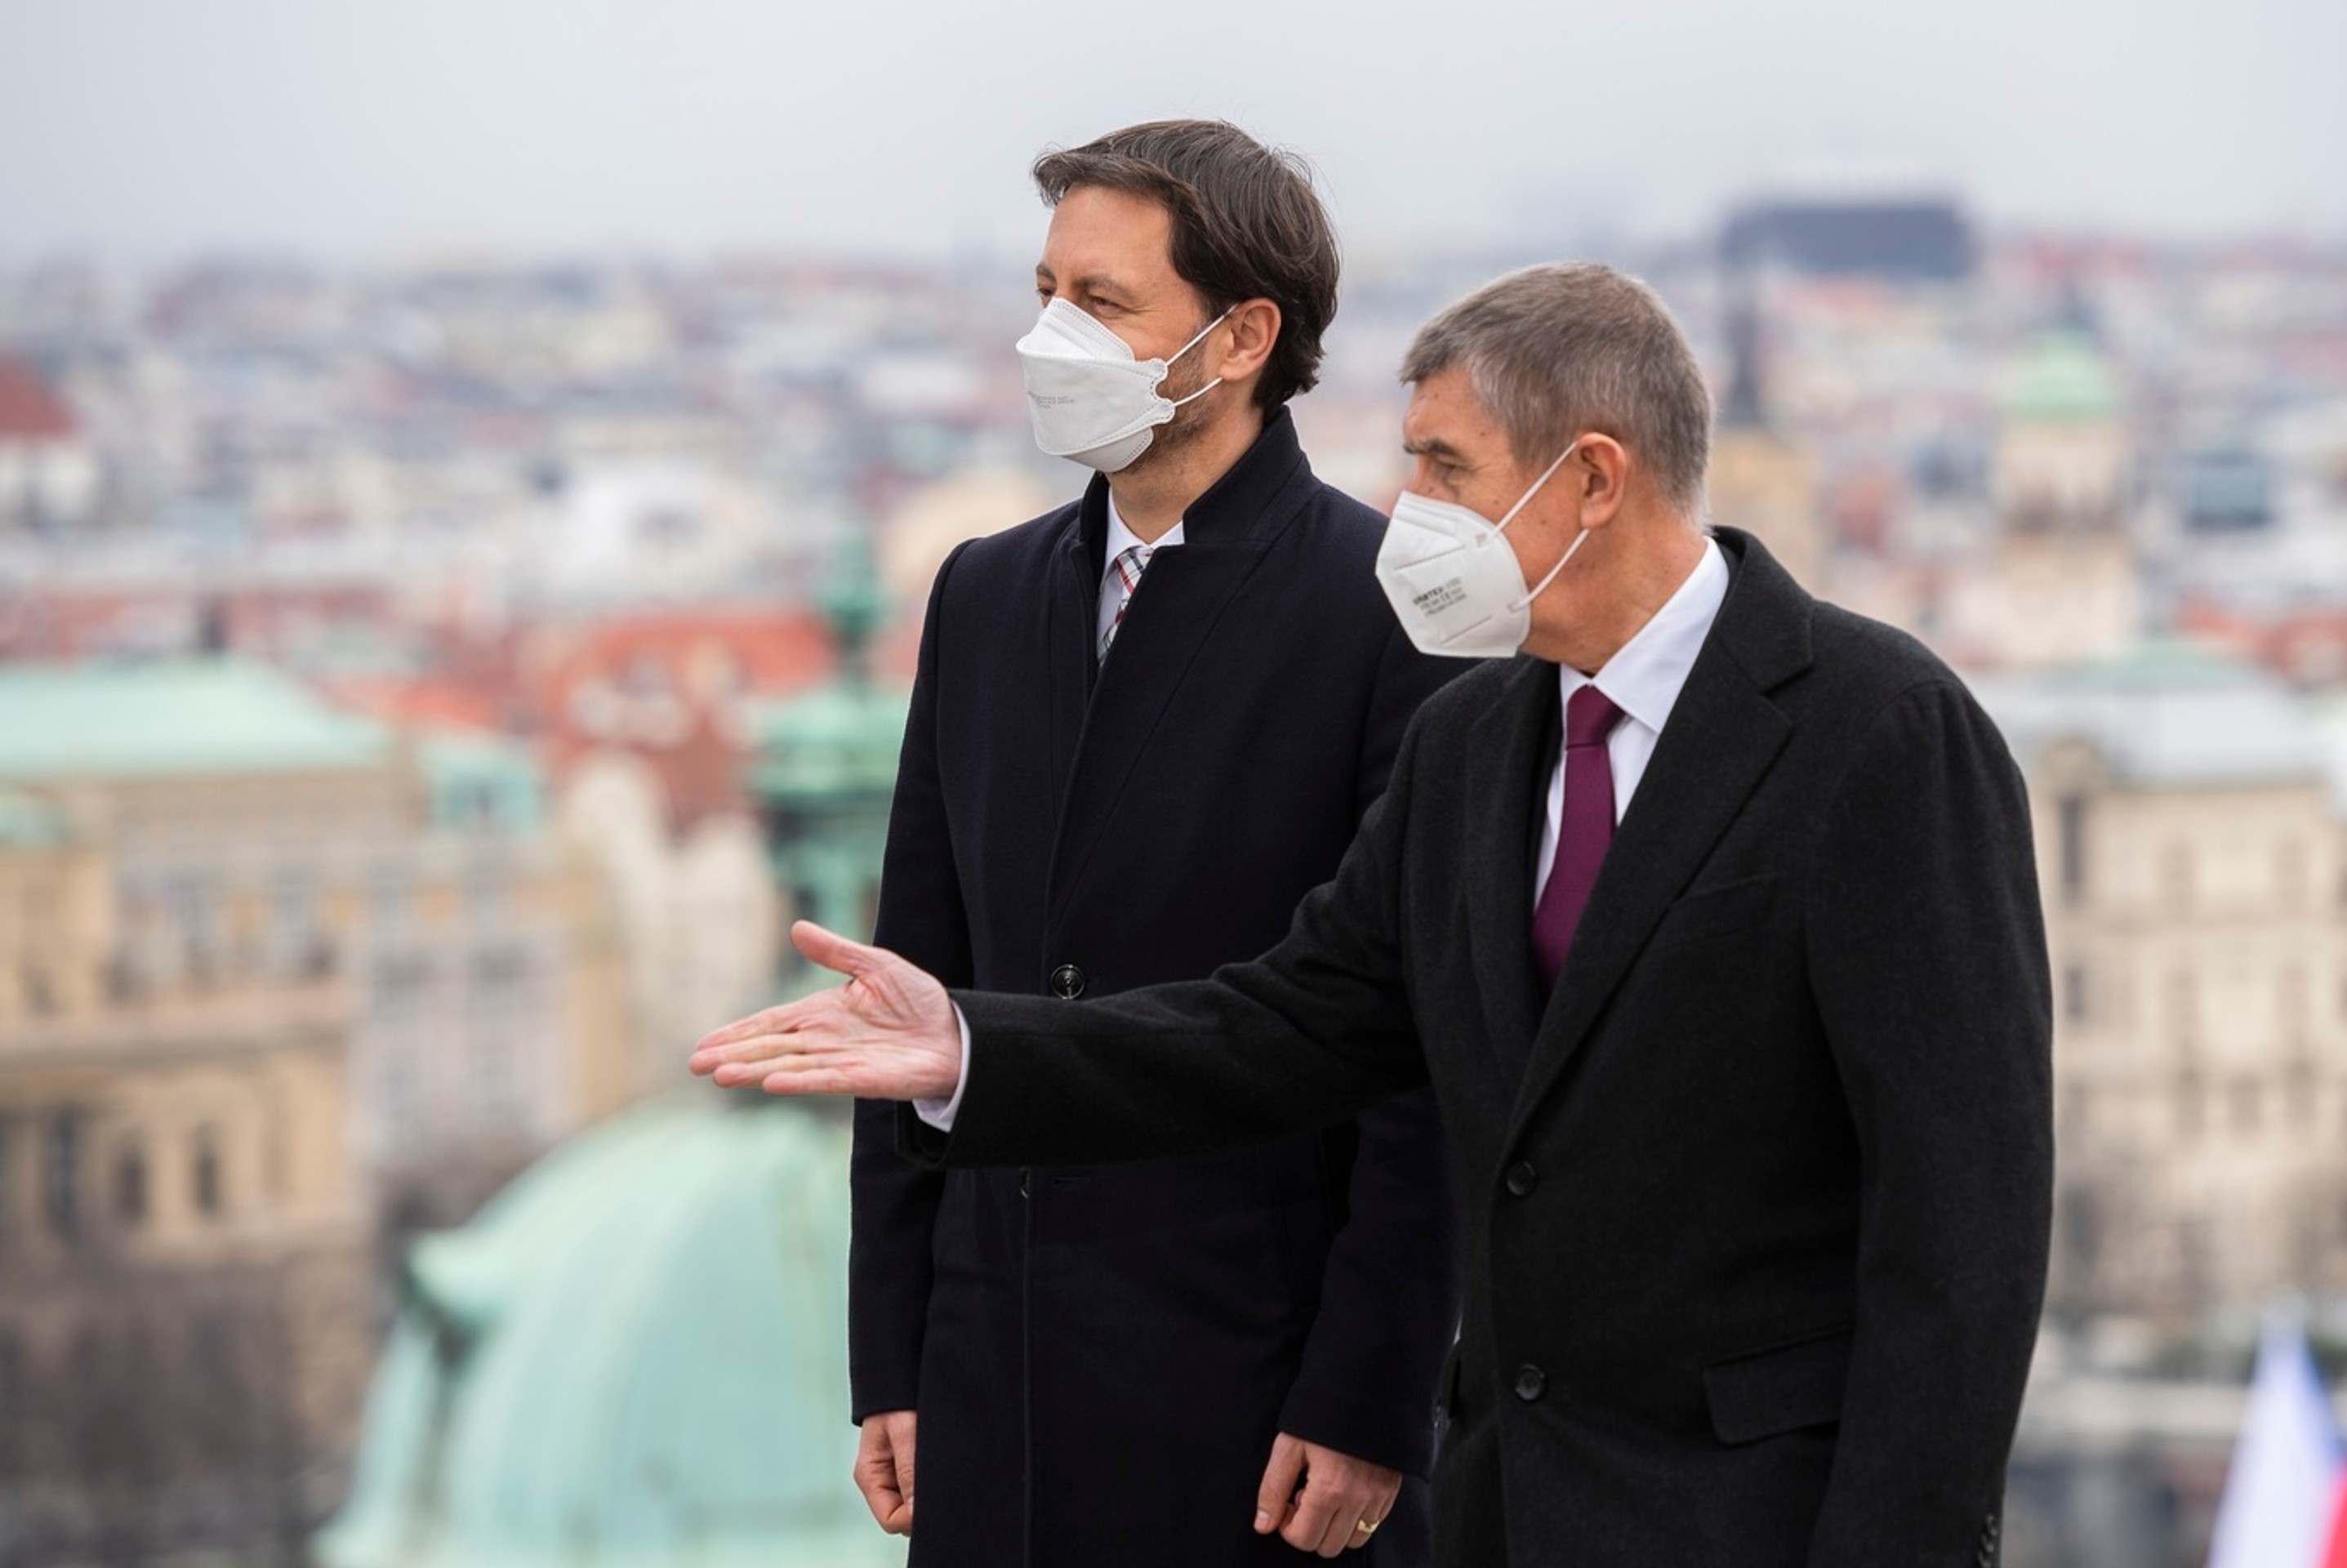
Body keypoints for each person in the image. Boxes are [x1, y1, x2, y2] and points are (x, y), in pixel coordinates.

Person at [698, 261, 2053, 1568]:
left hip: (1753, 1516)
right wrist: (977, 1054)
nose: (1410, 510)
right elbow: (1286, 1025)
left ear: (1592, 476)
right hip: (1509, 1515)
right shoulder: (1471, 739)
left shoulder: (1875, 733)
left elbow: (1961, 1229)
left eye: (1447, 468)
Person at [843, 120, 1463, 1566]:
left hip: (1257, 1404)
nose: (1053, 334)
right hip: (992, 1381)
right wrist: (894, 1352)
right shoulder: (986, 594)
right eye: (1047, 290)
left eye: (1104, 303)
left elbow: (1421, 1047)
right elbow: (907, 996)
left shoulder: (1390, 609)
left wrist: (1370, 1394)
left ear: (1243, 335)